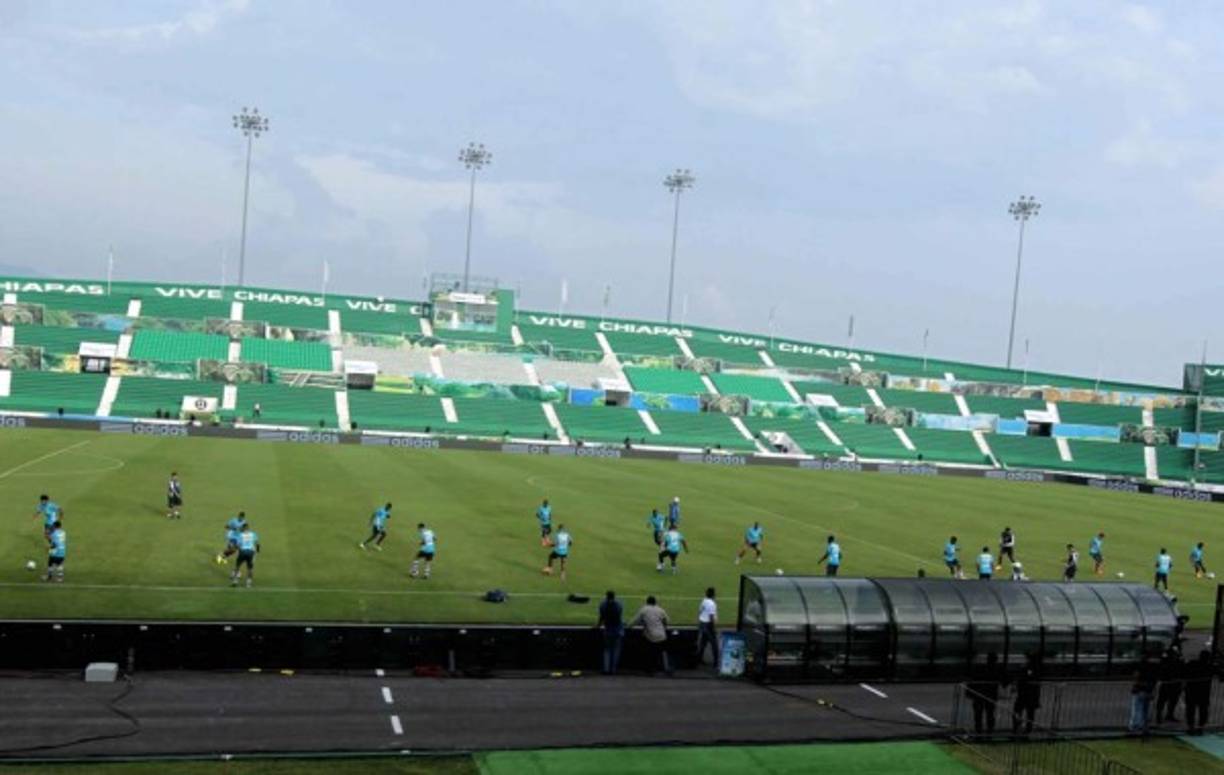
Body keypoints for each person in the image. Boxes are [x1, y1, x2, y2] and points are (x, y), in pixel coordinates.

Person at [629, 595, 671, 675]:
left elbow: (635, 621)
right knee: (661, 651)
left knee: (649, 652)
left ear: (647, 602)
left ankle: (650, 669)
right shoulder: (660, 609)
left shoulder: (644, 609)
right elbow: (666, 621)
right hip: (662, 635)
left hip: (651, 637)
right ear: (655, 602)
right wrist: (663, 626)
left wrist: (628, 626)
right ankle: (664, 668)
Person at [966, 652, 1003, 734]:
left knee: (980, 714)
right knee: (989, 713)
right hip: (989, 695)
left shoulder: (982, 669)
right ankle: (988, 730)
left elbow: (973, 680)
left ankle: (980, 730)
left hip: (981, 695)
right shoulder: (996, 670)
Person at [1183, 649, 1214, 735]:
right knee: (1201, 710)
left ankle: (1191, 727)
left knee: (1191, 710)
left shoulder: (1192, 664)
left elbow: (1184, 671)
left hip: (1192, 691)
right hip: (1202, 692)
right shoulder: (1209, 666)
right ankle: (1199, 727)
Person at [1012, 656, 1042, 735]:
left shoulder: (1030, 668)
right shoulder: (1036, 669)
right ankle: (1026, 729)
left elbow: (1026, 677)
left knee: (1019, 711)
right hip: (1030, 695)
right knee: (1029, 713)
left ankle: (1019, 728)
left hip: (1025, 694)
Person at [597, 590, 624, 675]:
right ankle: (613, 670)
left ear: (606, 596)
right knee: (616, 650)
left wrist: (597, 626)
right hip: (617, 629)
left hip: (608, 630)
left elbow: (601, 618)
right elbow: (619, 614)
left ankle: (606, 669)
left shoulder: (603, 605)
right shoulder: (619, 604)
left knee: (607, 650)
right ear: (614, 596)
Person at [1155, 648, 1184, 724]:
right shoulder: (1166, 662)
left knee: (1172, 701)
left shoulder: (1177, 662)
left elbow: (1181, 671)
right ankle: (1159, 716)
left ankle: (1169, 715)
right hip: (1167, 684)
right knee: (1162, 700)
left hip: (1174, 684)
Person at [1130, 657, 1158, 733]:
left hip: (1140, 690)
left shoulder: (1140, 669)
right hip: (1147, 691)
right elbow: (1153, 682)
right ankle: (1143, 725)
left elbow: (1136, 678)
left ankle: (1136, 725)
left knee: (1137, 709)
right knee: (1145, 710)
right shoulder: (1152, 671)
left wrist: (1135, 686)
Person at [696, 587, 719, 669]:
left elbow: (700, 611)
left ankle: (699, 659)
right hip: (709, 625)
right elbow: (711, 616)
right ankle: (716, 663)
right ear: (713, 594)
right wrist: (714, 628)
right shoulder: (712, 604)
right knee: (714, 644)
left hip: (702, 623)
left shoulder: (704, 600)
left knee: (703, 642)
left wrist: (700, 621)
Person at [231, 523, 260, 588]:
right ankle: (248, 583)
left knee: (237, 566)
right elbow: (257, 543)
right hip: (250, 552)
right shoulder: (253, 534)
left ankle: (235, 581)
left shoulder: (240, 535)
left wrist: (235, 549)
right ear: (248, 528)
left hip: (243, 552)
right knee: (250, 568)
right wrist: (257, 551)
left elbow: (238, 545)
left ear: (243, 528)